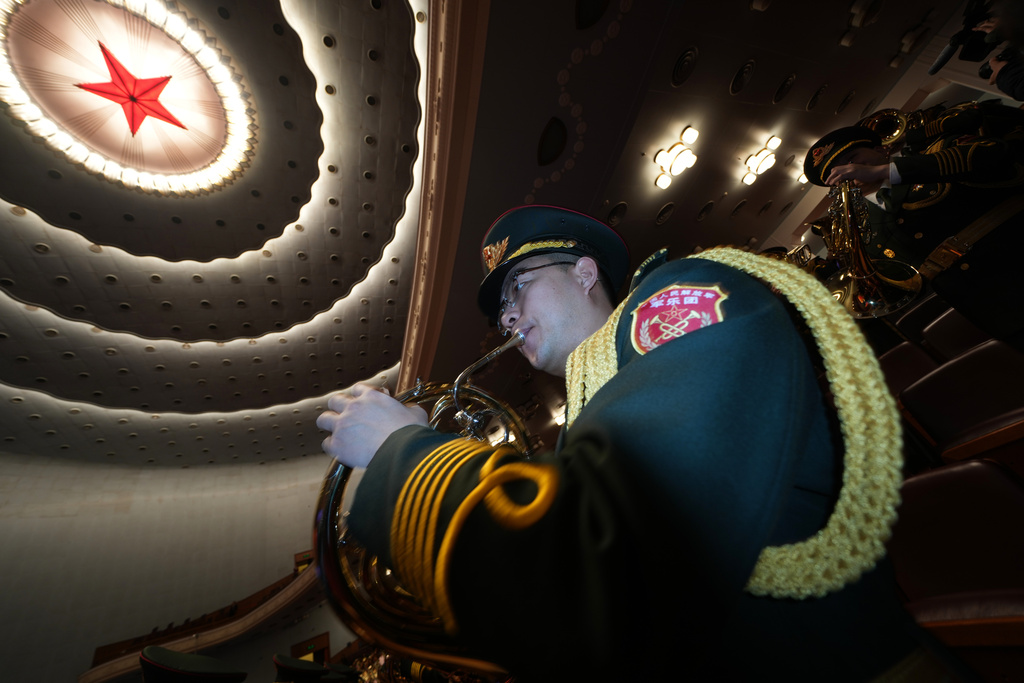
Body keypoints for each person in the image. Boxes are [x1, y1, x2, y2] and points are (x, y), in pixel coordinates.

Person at [317, 205, 964, 681]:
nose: (507, 317)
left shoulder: (669, 305)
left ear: (586, 270)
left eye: (517, 287)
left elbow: (602, 568)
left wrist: (402, 453)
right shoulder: (589, 416)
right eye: (500, 313)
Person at [803, 102, 1024, 346]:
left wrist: (887, 172)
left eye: (852, 158)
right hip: (994, 310)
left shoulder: (934, 153)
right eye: (837, 173)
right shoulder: (862, 228)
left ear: (881, 150)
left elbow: (994, 154)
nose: (848, 171)